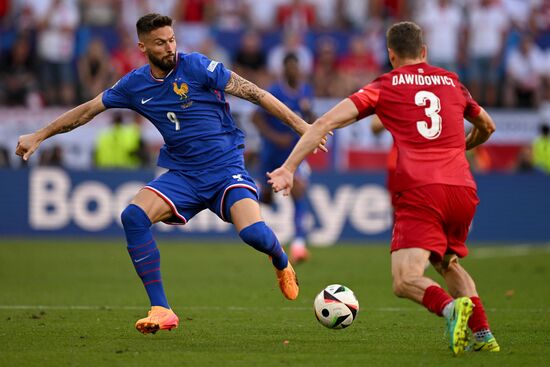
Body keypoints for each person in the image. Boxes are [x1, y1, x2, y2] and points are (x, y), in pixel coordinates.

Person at [16, 13, 328, 335]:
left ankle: (280, 259)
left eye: (172, 39)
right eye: (161, 43)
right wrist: (39, 135)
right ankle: (162, 308)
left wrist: (302, 126)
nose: (170, 48)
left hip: (225, 169)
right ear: (143, 47)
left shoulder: (196, 66)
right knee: (133, 217)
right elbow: (87, 110)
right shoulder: (134, 85)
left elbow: (254, 93)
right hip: (183, 175)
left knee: (253, 234)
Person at [268, 21, 499, 355]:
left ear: (391, 55)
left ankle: (451, 309)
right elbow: (487, 126)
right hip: (462, 189)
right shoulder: (452, 82)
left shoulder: (387, 85)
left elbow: (324, 124)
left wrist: (289, 168)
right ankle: (483, 334)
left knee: (405, 280)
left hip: (422, 190)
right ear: (424, 52)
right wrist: (460, 149)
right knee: (447, 262)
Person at [252, 53, 314, 264]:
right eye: (290, 68)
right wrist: (275, 136)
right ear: (284, 70)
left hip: (293, 154)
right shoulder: (275, 91)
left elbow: (309, 116)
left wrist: (311, 126)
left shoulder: (306, 90)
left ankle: (298, 245)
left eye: (296, 67)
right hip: (271, 153)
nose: (293, 71)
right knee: (267, 198)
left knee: (299, 190)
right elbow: (256, 117)